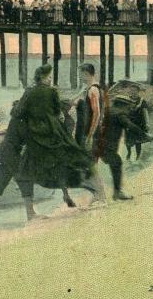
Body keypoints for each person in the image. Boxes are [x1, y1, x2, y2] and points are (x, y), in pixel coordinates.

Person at [14, 64, 99, 216]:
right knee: (78, 160)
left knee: (24, 171)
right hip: (54, 135)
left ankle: (30, 212)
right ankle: (96, 194)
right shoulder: (52, 92)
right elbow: (57, 111)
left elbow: (17, 112)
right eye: (48, 77)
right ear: (42, 77)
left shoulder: (29, 92)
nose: (50, 79)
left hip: (35, 138)